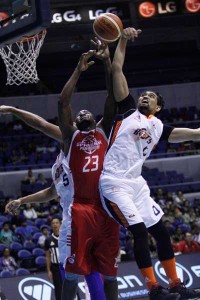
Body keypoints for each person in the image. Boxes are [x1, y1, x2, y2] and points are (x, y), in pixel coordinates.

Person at [99, 27, 200, 300]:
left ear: (159, 106)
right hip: (114, 182)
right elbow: (117, 69)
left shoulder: (157, 126)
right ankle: (154, 289)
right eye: (143, 94)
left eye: (151, 96)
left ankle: (176, 283)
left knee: (162, 233)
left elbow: (186, 134)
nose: (144, 96)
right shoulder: (128, 110)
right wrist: (122, 40)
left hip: (137, 185)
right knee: (141, 233)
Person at [58, 44, 120, 300]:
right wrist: (78, 70)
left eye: (87, 111)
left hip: (106, 207)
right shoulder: (70, 136)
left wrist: (107, 63)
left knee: (110, 272)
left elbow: (113, 98)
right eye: (78, 113)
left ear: (95, 118)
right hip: (81, 208)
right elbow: (63, 102)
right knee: (73, 272)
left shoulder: (105, 130)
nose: (82, 112)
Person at [45, 217, 64, 300]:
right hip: (55, 267)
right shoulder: (48, 240)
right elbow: (47, 256)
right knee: (58, 289)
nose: (55, 224)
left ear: (60, 224)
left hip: (66, 266)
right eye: (53, 223)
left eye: (57, 223)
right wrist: (49, 270)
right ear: (51, 226)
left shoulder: (65, 237)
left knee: (72, 286)